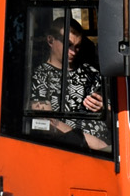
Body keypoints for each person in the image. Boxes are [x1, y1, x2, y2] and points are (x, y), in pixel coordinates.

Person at [30, 17, 109, 150]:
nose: (73, 52)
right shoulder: (40, 76)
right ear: (50, 40)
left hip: (109, 149)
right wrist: (88, 141)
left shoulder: (92, 72)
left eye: (77, 47)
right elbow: (45, 121)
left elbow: (117, 116)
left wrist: (105, 108)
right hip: (72, 150)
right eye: (68, 45)